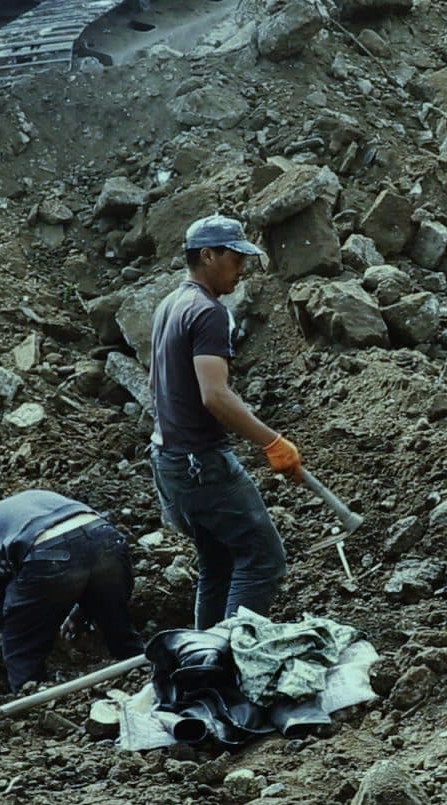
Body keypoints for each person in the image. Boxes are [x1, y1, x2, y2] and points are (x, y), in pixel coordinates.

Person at [149, 214, 301, 629]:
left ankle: (202, 664)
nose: (242, 267)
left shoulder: (169, 305)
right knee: (263, 560)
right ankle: (232, 662)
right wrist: (273, 442)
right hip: (202, 465)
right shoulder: (208, 312)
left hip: (169, 461)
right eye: (235, 258)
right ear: (207, 255)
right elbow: (215, 395)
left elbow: (155, 383)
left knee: (217, 563)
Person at [0, 490, 144, 692]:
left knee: (20, 651)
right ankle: (142, 669)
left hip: (47, 550)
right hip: (104, 535)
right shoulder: (27, 498)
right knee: (117, 622)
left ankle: (32, 698)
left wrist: (25, 633)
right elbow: (85, 554)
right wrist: (79, 614)